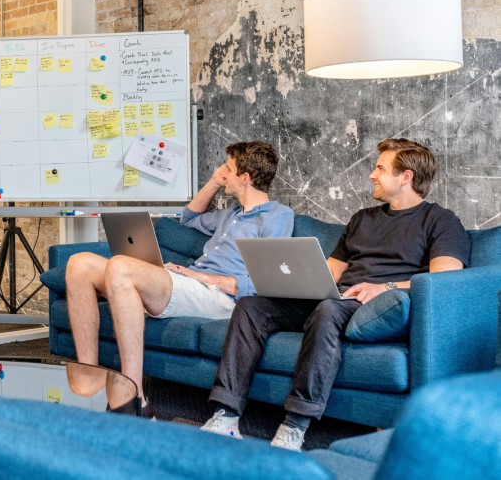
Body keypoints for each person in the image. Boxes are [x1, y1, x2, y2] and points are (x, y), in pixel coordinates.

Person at [201, 138, 470, 450]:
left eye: (380, 168)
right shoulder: (362, 219)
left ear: (406, 176)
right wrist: (294, 283)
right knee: (251, 306)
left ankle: (294, 425)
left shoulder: (440, 220)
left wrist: (385, 287)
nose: (372, 174)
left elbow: (445, 278)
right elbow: (329, 272)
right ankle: (226, 415)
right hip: (338, 299)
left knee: (328, 309)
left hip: (380, 305)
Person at [66, 141, 294, 416]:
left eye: (228, 168)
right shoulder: (231, 215)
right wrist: (212, 182)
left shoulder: (277, 217)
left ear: (245, 178)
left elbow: (264, 282)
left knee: (121, 267)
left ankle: (135, 397)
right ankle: (89, 373)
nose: (221, 171)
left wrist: (202, 276)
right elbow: (188, 218)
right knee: (79, 264)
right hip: (191, 285)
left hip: (221, 298)